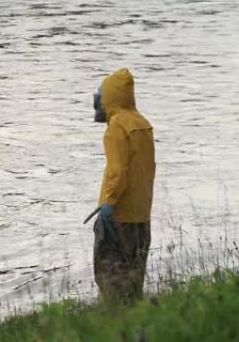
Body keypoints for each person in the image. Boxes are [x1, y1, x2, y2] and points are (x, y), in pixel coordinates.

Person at [92, 68, 155, 303]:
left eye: (101, 95)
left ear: (110, 98)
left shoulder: (116, 127)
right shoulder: (143, 124)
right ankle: (135, 315)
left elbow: (118, 172)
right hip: (141, 216)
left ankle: (114, 317)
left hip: (118, 216)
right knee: (135, 274)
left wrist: (109, 203)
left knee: (110, 274)